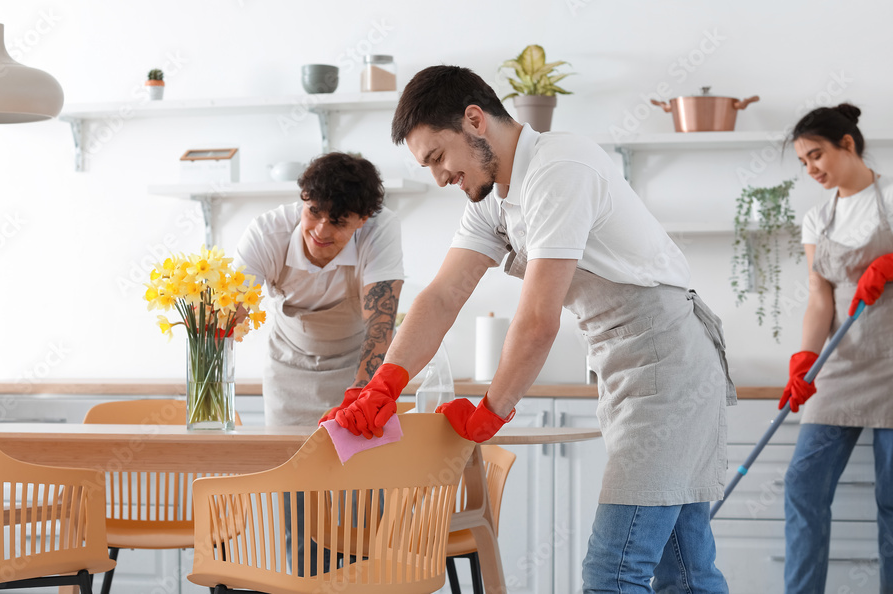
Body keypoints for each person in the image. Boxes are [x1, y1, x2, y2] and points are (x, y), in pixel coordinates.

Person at [335, 65, 735, 592]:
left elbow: (538, 318)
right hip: (630, 368)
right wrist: (384, 383)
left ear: (474, 120)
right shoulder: (492, 197)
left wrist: (491, 411)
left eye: (437, 157)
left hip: (669, 369)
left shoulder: (559, 168)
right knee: (686, 571)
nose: (438, 176)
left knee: (613, 573)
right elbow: (442, 296)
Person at [234, 151, 403, 576]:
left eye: (339, 221)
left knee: (362, 488)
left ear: (362, 219)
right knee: (300, 491)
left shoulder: (382, 230)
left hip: (356, 363)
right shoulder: (268, 231)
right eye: (314, 213)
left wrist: (362, 397)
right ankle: (307, 583)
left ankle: (364, 581)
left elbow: (381, 326)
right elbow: (230, 311)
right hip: (287, 367)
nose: (321, 230)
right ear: (303, 200)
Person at [780, 103, 893, 594]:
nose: (812, 170)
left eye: (816, 155)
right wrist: (805, 361)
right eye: (803, 162)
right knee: (803, 488)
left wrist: (890, 265)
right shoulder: (818, 219)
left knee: (892, 503)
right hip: (840, 365)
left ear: (848, 144)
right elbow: (819, 296)